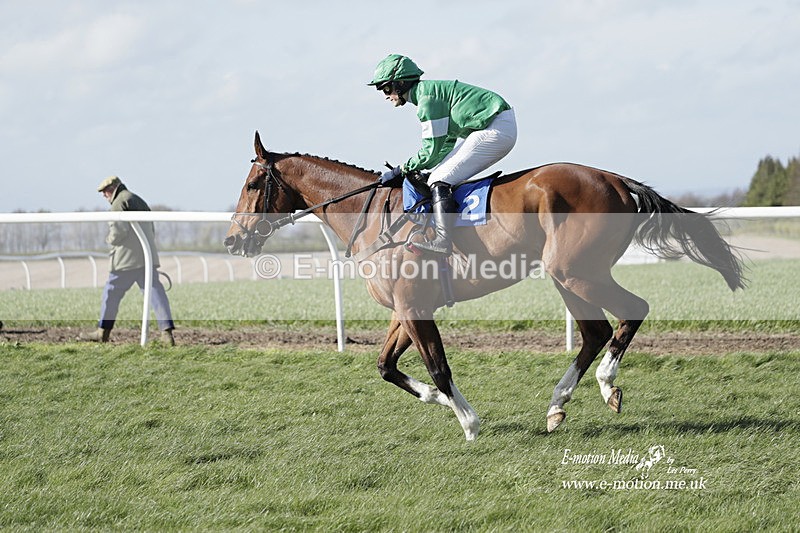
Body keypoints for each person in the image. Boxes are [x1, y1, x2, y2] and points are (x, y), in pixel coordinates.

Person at [369, 53, 517, 255]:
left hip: (496, 128)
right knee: (436, 174)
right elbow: (443, 146)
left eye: (386, 87)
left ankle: (443, 241)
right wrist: (415, 168)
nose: (385, 94)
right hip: (494, 125)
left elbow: (430, 151)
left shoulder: (427, 101)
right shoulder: (427, 94)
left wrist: (401, 169)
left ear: (401, 83)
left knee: (439, 179)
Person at [82, 176, 175, 345]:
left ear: (113, 188)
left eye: (105, 191)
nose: (104, 195)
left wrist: (108, 240)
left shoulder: (119, 202)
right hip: (146, 256)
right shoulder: (137, 199)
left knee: (110, 293)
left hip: (126, 261)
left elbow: (117, 233)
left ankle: (103, 331)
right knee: (155, 292)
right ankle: (166, 333)